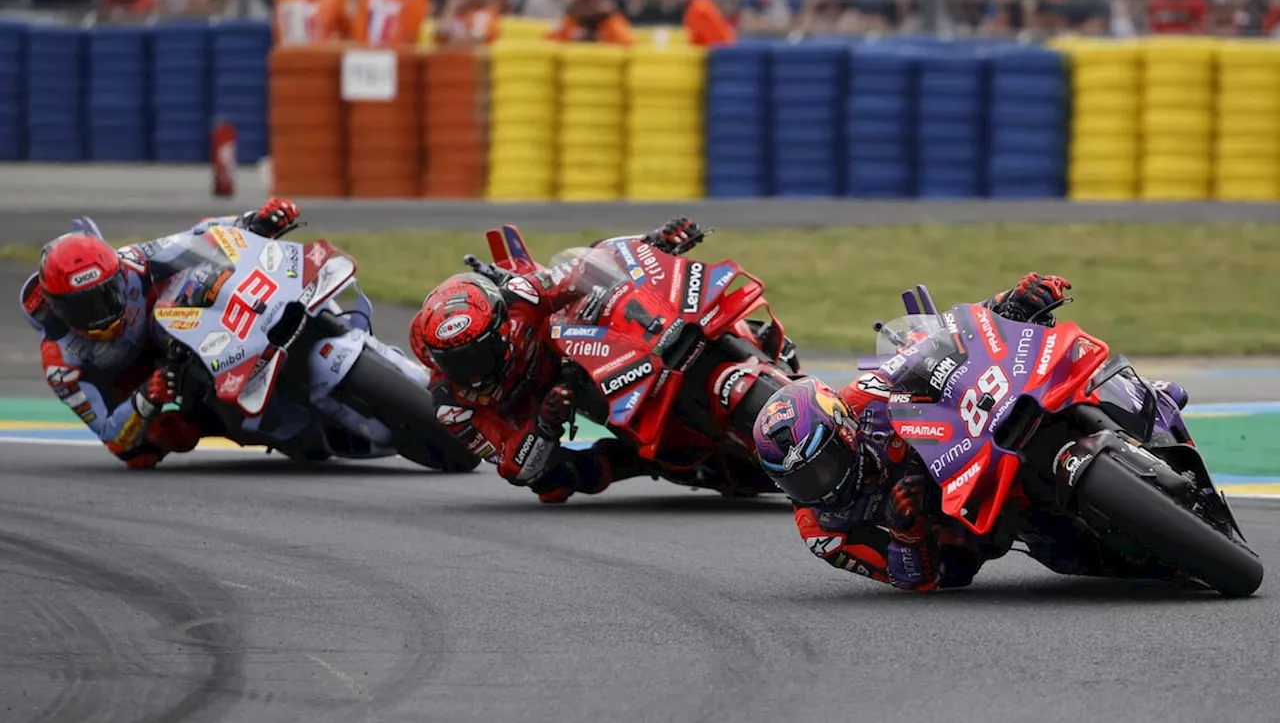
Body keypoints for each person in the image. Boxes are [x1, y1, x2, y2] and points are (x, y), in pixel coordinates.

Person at [752, 273, 1192, 592]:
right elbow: (910, 580)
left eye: (821, 468)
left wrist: (1011, 300)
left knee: (1050, 377)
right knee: (1067, 553)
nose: (818, 486)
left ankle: (1143, 399)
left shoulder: (861, 399)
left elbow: (941, 337)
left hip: (972, 439)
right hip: (965, 528)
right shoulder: (823, 531)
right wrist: (906, 532)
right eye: (800, 482)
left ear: (843, 428)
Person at [408, 218, 800, 504]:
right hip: (558, 401)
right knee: (553, 481)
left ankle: (750, 341)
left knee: (647, 297)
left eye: (478, 352)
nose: (472, 368)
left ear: (498, 326)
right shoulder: (452, 405)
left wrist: (653, 243)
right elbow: (512, 464)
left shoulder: (520, 299)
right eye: (457, 360)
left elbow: (585, 265)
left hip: (578, 345)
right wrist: (543, 422)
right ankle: (649, 461)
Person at [20, 199, 302, 470]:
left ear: (117, 274)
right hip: (136, 385)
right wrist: (146, 397)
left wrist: (255, 222)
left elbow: (200, 237)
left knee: (204, 273)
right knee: (150, 446)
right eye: (84, 307)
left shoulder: (133, 263)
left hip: (173, 333)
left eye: (107, 295)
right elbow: (110, 434)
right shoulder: (60, 361)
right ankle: (219, 418)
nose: (102, 314)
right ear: (58, 309)